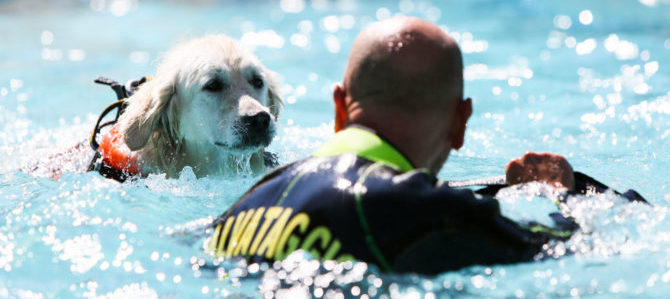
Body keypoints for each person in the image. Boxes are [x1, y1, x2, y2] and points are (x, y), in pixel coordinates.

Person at [205, 16, 642, 274]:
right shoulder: (433, 212)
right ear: (460, 123)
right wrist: (562, 199)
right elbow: (579, 252)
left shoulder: (245, 205)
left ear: (340, 107)